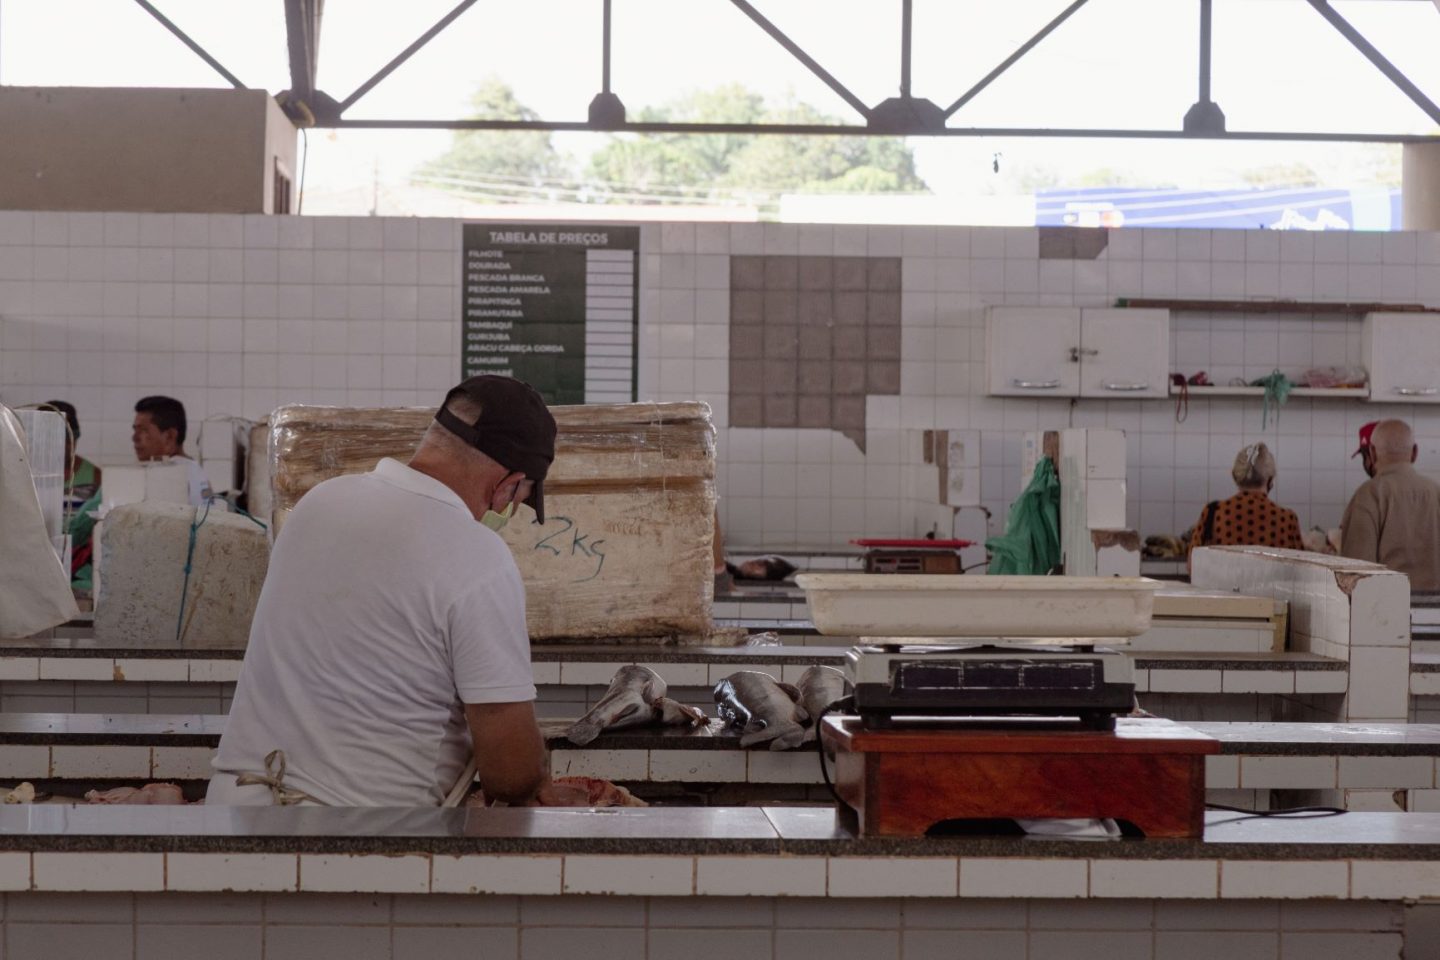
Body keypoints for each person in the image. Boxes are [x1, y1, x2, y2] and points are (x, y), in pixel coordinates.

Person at [208, 375, 567, 807]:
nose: (505, 511)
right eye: (517, 500)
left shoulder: (321, 501)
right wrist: (535, 773)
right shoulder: (477, 554)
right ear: (506, 484)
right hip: (361, 831)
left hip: (233, 810)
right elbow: (509, 775)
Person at [1341, 419, 1440, 592]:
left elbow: (1356, 573)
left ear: (1372, 452)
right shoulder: (1436, 492)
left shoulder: (1368, 495)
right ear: (1415, 452)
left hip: (1387, 605)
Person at [1187, 442, 1303, 562]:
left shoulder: (1213, 513)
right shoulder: (1287, 519)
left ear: (1235, 476)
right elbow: (1302, 566)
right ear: (1270, 481)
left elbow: (1192, 563)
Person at [131, 395, 212, 507]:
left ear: (170, 436)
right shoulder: (194, 470)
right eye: (135, 430)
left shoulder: (170, 474)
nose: (134, 438)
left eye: (144, 430)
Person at [40, 400, 102, 513]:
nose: (63, 446)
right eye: (52, 439)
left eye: (68, 440)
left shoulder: (95, 477)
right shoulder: (26, 474)